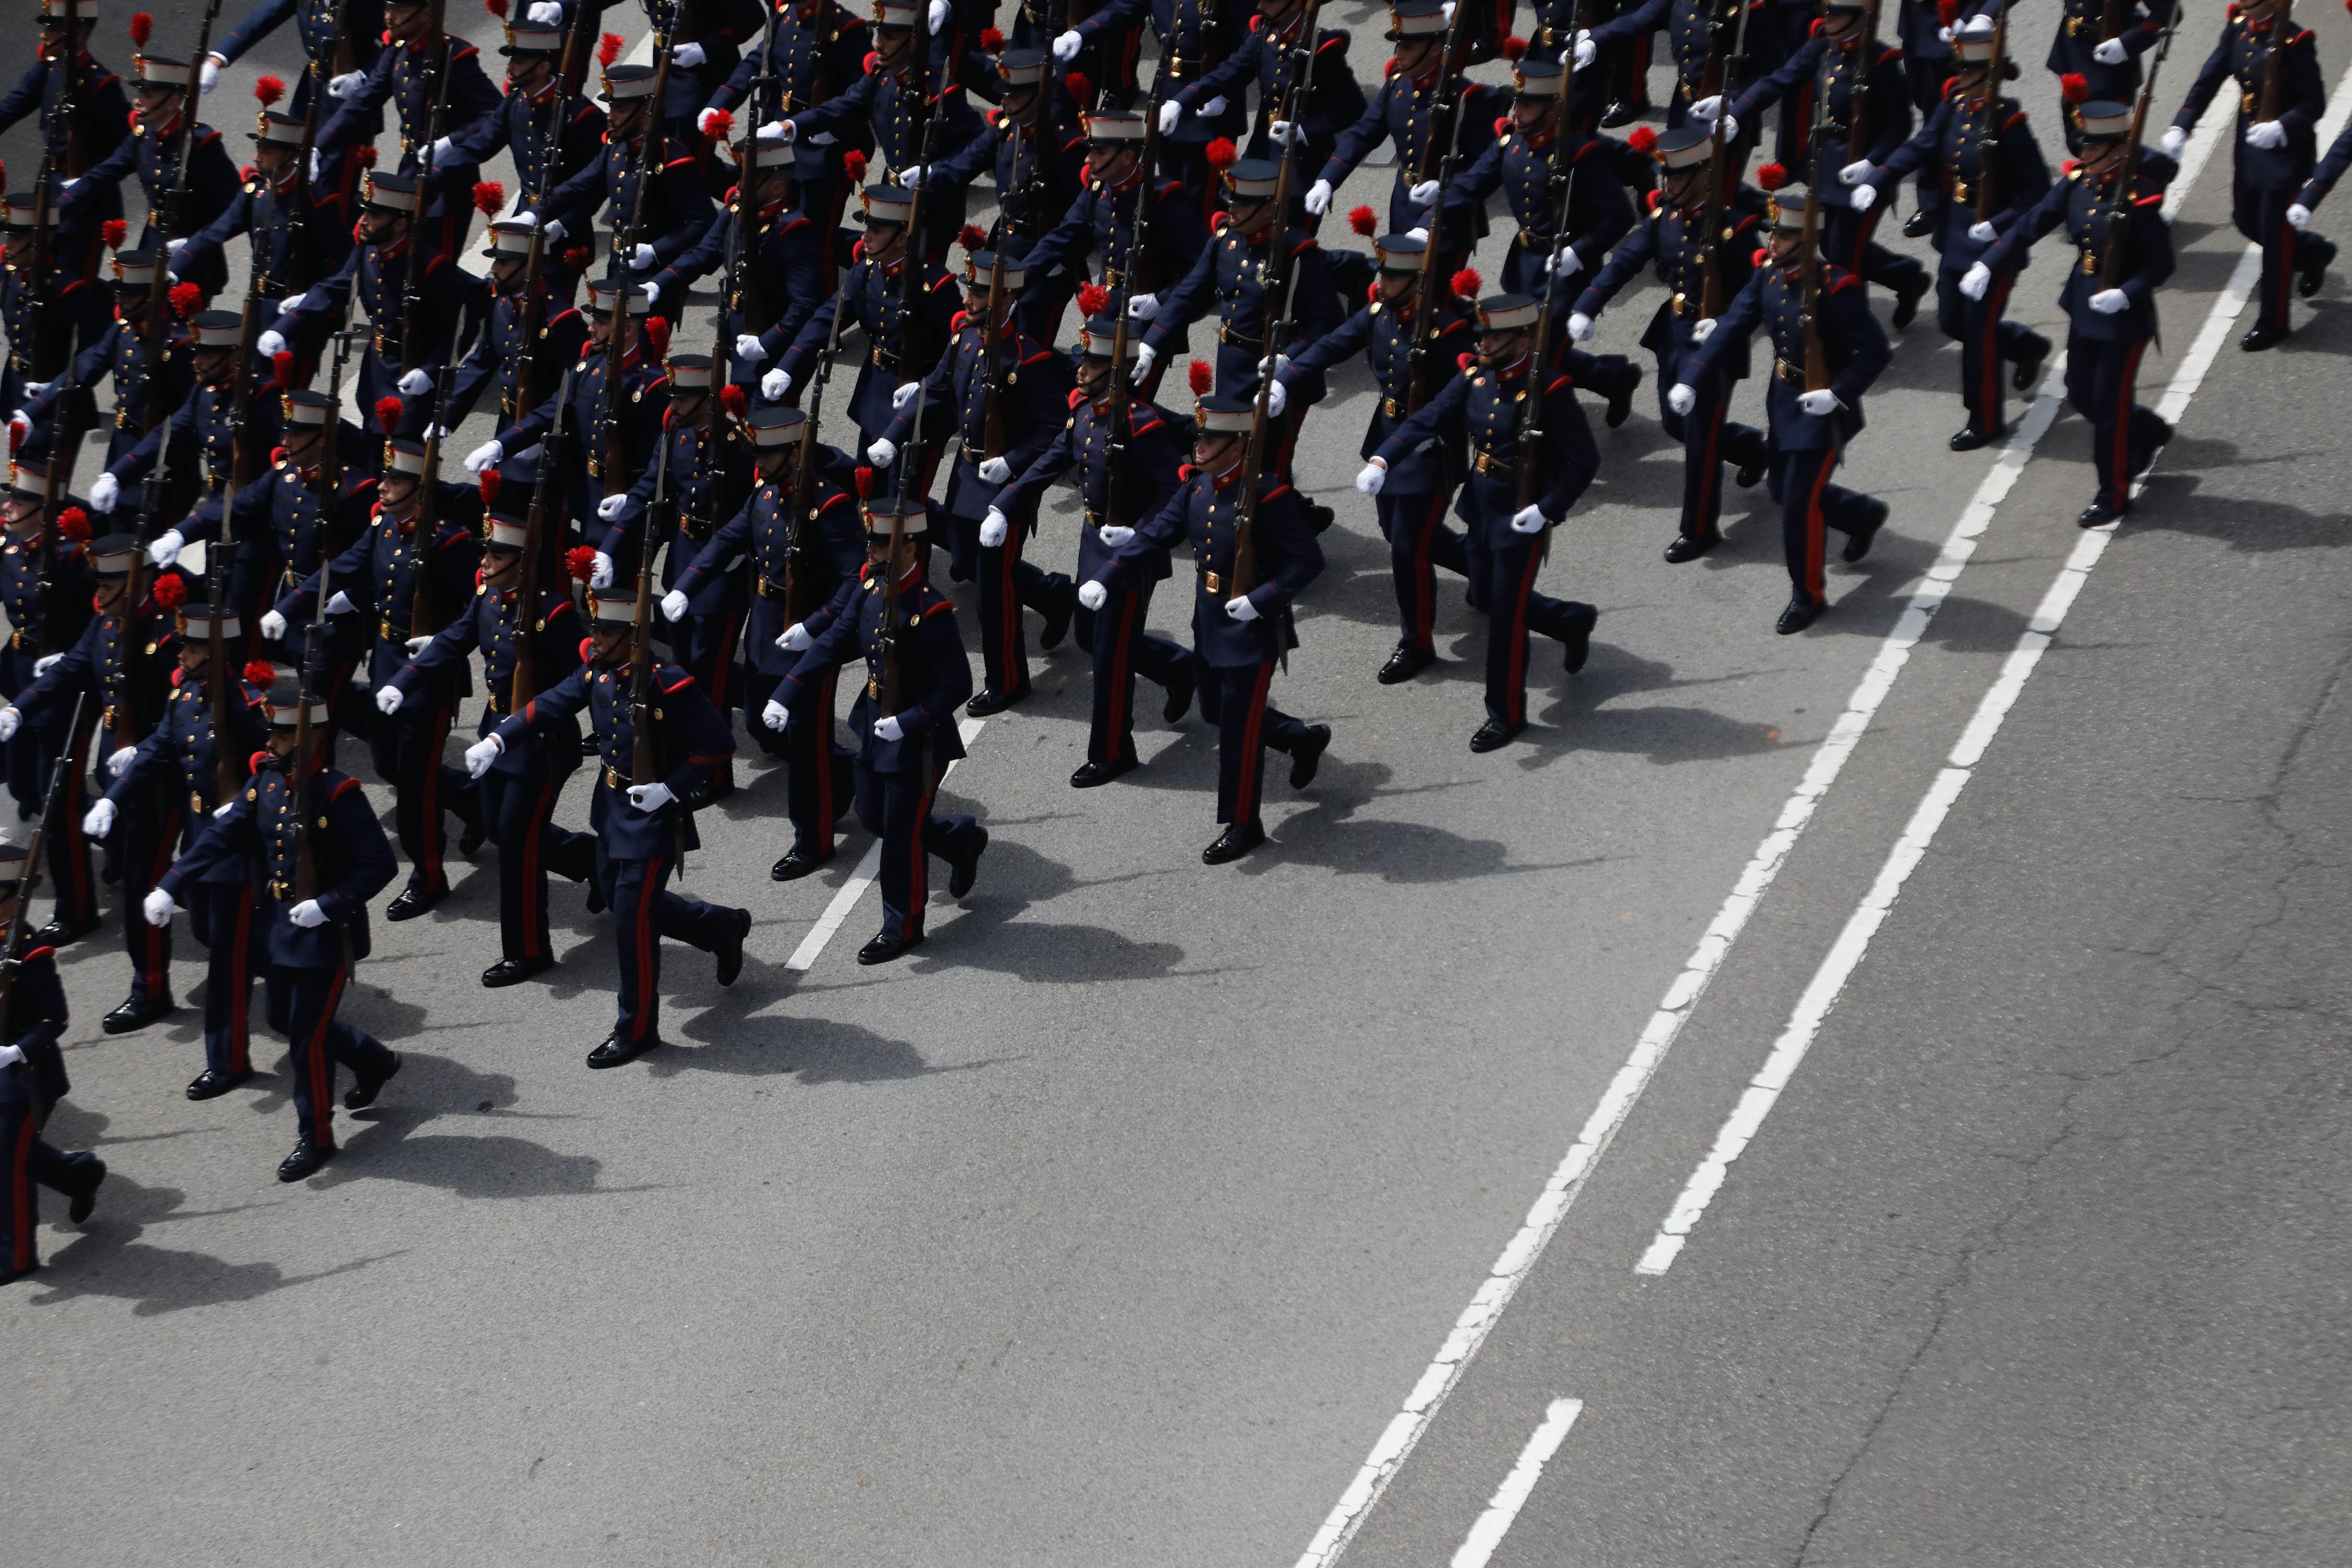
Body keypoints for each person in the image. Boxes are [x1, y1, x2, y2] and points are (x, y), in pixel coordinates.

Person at [470, 577, 751, 1066]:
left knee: (632, 928)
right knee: (632, 909)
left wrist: (670, 788)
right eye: (593, 628)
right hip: (613, 809)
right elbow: (551, 703)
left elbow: (717, 744)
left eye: (603, 631)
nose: (593, 639)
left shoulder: (669, 683)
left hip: (654, 821)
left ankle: (637, 1029)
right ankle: (718, 928)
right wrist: (499, 740)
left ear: (633, 637)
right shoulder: (597, 671)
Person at [148, 672, 403, 1183]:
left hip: (325, 935)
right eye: (271, 734)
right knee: (288, 1023)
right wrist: (172, 883)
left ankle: (316, 1137)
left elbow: (379, 865)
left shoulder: (339, 794)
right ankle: (372, 1060)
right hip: (279, 926)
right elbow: (224, 834)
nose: (271, 742)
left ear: (307, 740)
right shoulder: (266, 780)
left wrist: (330, 904)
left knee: (305, 1041)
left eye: (282, 735)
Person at [1082, 392, 1329, 863]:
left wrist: (1262, 601)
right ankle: (1301, 738)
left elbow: (1307, 560)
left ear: (1238, 445)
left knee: (1236, 730)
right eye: (1200, 436)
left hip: (1252, 630)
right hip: (1210, 620)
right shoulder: (1196, 488)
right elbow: (1156, 535)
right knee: (1216, 711)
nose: (1199, 446)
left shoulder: (1268, 494)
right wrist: (1108, 575)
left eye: (1211, 439)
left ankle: (1243, 824)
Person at [1365, 291, 1601, 751]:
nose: (1485, 342)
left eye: (1496, 336)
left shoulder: (1550, 392)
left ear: (1524, 340)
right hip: (1480, 503)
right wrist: (1383, 459)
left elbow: (1583, 462)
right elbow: (1429, 417)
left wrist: (1548, 510)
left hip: (1522, 515)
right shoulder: (1475, 378)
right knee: (1491, 598)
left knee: (1505, 620)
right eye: (1485, 333)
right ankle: (1569, 621)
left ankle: (1506, 714)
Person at [269, 436, 486, 920]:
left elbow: (478, 608)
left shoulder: (448, 542)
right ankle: (474, 802)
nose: (383, 486)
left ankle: (429, 877)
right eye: (385, 478)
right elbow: (344, 568)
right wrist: (289, 608)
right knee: (389, 765)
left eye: (394, 481)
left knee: (412, 787)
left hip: (427, 677)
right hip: (387, 661)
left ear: (418, 489)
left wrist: (441, 641)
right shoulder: (385, 526)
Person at [382, 491, 592, 986]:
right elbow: (456, 638)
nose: (485, 561)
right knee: (503, 830)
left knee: (517, 845)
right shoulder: (488, 596)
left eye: (496, 555)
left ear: (522, 563)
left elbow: (581, 680)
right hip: (493, 735)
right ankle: (593, 863)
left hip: (540, 745)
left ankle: (529, 951)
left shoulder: (553, 615)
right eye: (486, 553)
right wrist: (404, 680)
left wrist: (531, 720)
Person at [989, 297, 1194, 785]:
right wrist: (1007, 501)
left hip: (1131, 550)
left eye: (1095, 364)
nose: (1082, 371)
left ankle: (1113, 752)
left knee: (1108, 655)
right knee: (1089, 635)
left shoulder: (1144, 427)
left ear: (1117, 372)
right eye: (1084, 360)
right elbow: (1054, 458)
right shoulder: (1083, 410)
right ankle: (1178, 668)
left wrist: (1138, 535)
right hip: (1093, 538)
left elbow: (1175, 497)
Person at [1675, 180, 1893, 631]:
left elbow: (1875, 353)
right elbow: (1734, 324)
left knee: (1797, 506)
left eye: (1785, 236)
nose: (1773, 242)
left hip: (1824, 412)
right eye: (1774, 234)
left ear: (1809, 240)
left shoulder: (1838, 288)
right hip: (1784, 399)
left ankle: (1807, 595)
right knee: (1781, 490)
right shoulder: (1769, 274)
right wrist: (1693, 379)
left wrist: (1838, 392)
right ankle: (1862, 515)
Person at [777, 496, 988, 960]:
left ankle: (903, 928)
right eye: (870, 542)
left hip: (917, 739)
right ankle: (958, 840)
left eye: (879, 543)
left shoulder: (929, 612)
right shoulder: (870, 587)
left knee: (899, 839)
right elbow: (834, 642)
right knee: (873, 817)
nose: (868, 551)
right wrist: (786, 693)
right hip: (873, 721)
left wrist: (910, 722)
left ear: (911, 549)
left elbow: (956, 684)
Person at [869, 246, 1076, 709]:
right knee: (966, 560)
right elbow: (937, 391)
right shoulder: (964, 339)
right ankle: (1052, 595)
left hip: (1005, 488)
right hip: (966, 476)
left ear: (1005, 301)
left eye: (981, 293)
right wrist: (893, 434)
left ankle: (1008, 681)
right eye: (971, 290)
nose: (970, 299)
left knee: (993, 594)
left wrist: (1013, 463)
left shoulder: (1028, 361)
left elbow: (1054, 431)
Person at [1274, 233, 1474, 683]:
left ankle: (1417, 641)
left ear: (1417, 282)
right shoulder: (1381, 313)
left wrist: (1432, 431)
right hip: (1387, 434)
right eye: (1381, 272)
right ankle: (1484, 568)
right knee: (1396, 532)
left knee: (1408, 551)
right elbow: (1333, 344)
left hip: (1429, 450)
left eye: (1392, 275)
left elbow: (1464, 391)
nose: (1381, 281)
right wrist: (1287, 378)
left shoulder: (1448, 330)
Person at [87, 596, 269, 1093]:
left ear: (214, 654)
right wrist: (115, 799)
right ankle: (284, 964)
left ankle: (230, 1061)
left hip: (235, 844)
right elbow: (158, 748)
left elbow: (278, 768)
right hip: (199, 834)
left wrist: (247, 800)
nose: (180, 658)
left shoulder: (249, 705)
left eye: (189, 650)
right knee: (212, 933)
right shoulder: (186, 697)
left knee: (226, 960)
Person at [1966, 97, 2174, 525]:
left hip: (2124, 320)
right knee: (2082, 395)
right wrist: (1990, 260)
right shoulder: (2077, 183)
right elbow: (2033, 222)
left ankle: (2113, 495)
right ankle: (2149, 430)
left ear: (2117, 147)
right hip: (2084, 306)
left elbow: (2161, 263)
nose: (2082, 155)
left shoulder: (2139, 195)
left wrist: (2128, 292)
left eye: (2092, 148)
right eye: (2082, 147)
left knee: (2110, 410)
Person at [675, 405, 860, 881]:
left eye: (769, 455)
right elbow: (730, 539)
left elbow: (855, 580)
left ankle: (813, 840)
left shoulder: (830, 506)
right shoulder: (764, 490)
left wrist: (816, 626)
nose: (758, 464)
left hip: (809, 640)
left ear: (795, 454)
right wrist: (686, 587)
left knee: (808, 749)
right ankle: (847, 769)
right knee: (762, 725)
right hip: (764, 625)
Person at [1571, 122, 1773, 559]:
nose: (1670, 186)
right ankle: (1753, 448)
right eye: (1668, 177)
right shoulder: (1667, 217)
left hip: (1717, 343)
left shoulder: (1734, 229)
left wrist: (1724, 323)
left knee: (1700, 438)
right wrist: (1587, 303)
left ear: (1704, 176)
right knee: (1674, 424)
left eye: (1679, 177)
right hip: (1675, 332)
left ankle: (1700, 529)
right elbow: (1627, 259)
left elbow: (1757, 290)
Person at [1854, 13, 2051, 447]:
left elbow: (2039, 191)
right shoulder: (1954, 106)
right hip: (1957, 234)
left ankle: (1984, 419)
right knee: (1952, 321)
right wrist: (1879, 176)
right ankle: (2024, 346)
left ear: (1991, 74)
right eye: (1960, 69)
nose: (1962, 78)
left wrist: (1998, 225)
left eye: (1972, 71)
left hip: (1995, 247)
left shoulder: (2010, 124)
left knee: (1978, 337)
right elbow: (1921, 147)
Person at [1, 533, 180, 999]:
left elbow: (179, 716)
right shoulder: (106, 623)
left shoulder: (165, 635)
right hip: (117, 768)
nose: (97, 597)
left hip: (162, 776)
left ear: (132, 584)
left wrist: (143, 751)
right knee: (134, 868)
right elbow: (72, 668)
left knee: (146, 882)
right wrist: (19, 709)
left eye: (106, 588)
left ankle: (150, 989)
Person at [1709, 0, 1931, 327]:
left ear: (1858, 19)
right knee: (1831, 244)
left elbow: (1899, 126)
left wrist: (1873, 164)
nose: (1827, 19)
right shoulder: (1822, 48)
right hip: (1826, 169)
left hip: (1865, 181)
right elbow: (1781, 79)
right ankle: (1907, 277)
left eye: (1836, 13)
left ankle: (1850, 335)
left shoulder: (1881, 62)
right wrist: (1738, 113)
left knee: (1842, 262)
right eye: (1827, 11)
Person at [2163, 0, 2332, 351]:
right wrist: (2183, 123)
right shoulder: (2238, 28)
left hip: (2285, 155)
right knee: (2245, 220)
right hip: (2250, 147)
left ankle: (2274, 323)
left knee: (2274, 239)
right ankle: (2310, 251)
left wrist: (2283, 127)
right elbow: (2210, 77)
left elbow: (2313, 104)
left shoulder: (2296, 42)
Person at [0, 841, 105, 1287]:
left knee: (6, 1166)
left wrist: (16, 1049)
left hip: (24, 1080)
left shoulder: (30, 950)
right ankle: (79, 1174)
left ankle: (17, 1256)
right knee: (15, 1155)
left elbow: (55, 1018)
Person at [0, 459, 99, 933]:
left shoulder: (73, 559)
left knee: (58, 801)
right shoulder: (11, 544)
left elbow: (103, 619)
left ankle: (76, 909)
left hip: (63, 687)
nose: (7, 507)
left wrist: (68, 656)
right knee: (24, 785)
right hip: (19, 674)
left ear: (43, 510)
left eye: (18, 502)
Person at [59, 44, 243, 296]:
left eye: (148, 94)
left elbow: (235, 208)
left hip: (192, 252)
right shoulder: (143, 136)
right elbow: (104, 174)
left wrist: (195, 243)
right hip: (154, 241)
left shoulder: (202, 145)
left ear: (173, 102)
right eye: (140, 92)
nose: (138, 100)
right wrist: (57, 207)